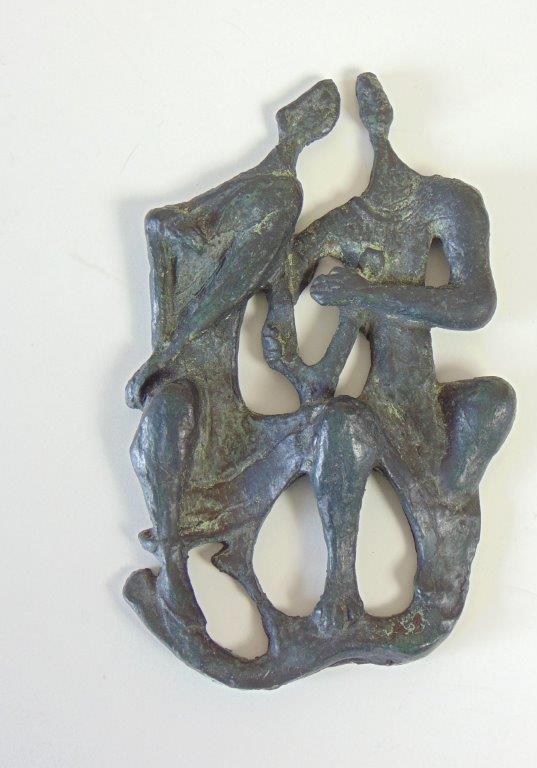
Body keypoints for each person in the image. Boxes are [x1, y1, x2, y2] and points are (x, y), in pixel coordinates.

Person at [275, 73, 516, 628]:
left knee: (494, 399)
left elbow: (475, 304)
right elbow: (275, 282)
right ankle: (339, 588)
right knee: (341, 424)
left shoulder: (447, 201)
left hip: (425, 406)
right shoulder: (345, 223)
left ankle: (445, 522)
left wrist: (365, 293)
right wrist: (293, 356)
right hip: (376, 404)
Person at [124, 80, 341, 620]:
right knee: (169, 417)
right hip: (181, 357)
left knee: (176, 414)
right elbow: (161, 223)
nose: (303, 110)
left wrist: (166, 352)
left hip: (202, 363)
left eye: (318, 108)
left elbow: (231, 288)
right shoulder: (259, 183)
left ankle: (176, 570)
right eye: (309, 100)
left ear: (316, 128)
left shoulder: (284, 196)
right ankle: (174, 568)